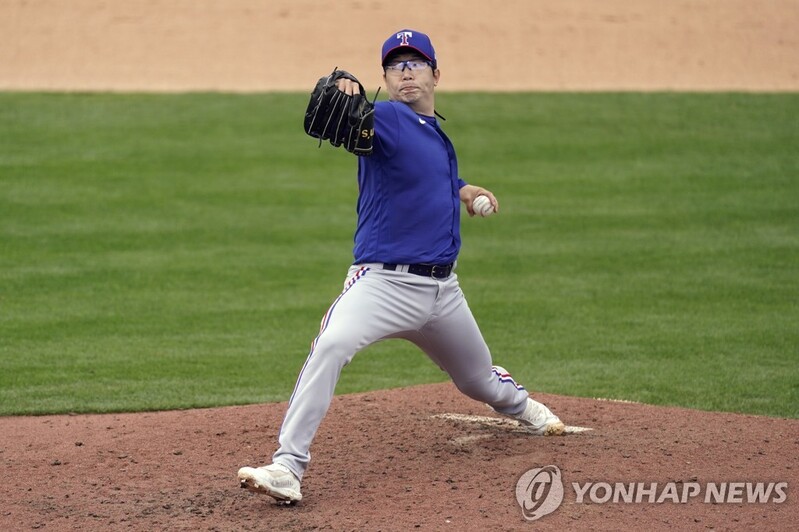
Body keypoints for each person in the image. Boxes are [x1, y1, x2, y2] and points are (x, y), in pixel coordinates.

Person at [238, 29, 565, 504]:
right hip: (383, 285)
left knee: (477, 380)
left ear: (436, 74)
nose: (406, 71)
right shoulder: (387, 118)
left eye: (415, 63)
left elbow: (436, 172)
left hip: (443, 293)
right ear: (386, 80)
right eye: (395, 65)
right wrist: (346, 105)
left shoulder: (436, 135)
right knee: (331, 344)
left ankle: (523, 407)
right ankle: (288, 466)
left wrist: (465, 190)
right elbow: (359, 131)